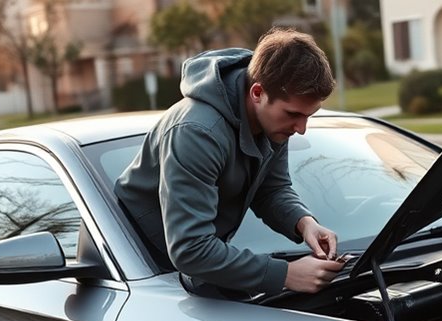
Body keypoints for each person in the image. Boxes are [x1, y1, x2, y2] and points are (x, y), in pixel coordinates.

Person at [114, 27, 344, 299]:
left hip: (190, 268)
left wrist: (304, 223)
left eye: (309, 115)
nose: (302, 128)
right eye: (294, 114)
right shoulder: (197, 133)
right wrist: (287, 275)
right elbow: (191, 249)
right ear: (257, 92)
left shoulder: (274, 122)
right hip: (132, 270)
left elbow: (272, 189)